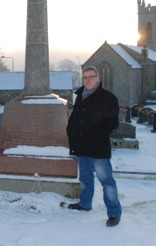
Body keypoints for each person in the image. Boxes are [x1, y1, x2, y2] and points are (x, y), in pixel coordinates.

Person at [66, 66, 122, 227]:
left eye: (91, 76)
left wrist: (97, 136)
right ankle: (85, 204)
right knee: (85, 179)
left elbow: (112, 122)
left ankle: (114, 213)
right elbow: (74, 117)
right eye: (85, 77)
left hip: (97, 148)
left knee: (107, 182)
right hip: (81, 147)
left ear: (98, 78)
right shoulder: (80, 96)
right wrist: (70, 131)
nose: (88, 80)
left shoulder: (108, 97)